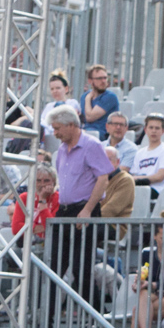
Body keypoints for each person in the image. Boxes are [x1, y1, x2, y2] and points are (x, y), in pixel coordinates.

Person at [48, 108, 114, 303]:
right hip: (65, 209)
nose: (55, 133)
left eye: (58, 128)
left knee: (81, 267)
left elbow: (103, 179)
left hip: (85, 209)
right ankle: (47, 319)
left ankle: (94, 315)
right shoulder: (61, 149)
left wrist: (87, 210)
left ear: (71, 125)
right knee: (54, 267)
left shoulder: (91, 145)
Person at [129, 114, 164, 193]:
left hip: (156, 190)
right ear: (145, 130)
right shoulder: (140, 153)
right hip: (139, 188)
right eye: (151, 127)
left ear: (163, 131)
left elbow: (160, 176)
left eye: (157, 128)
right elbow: (134, 174)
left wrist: (141, 179)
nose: (154, 131)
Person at [80, 64, 118, 139]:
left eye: (105, 78)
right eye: (99, 78)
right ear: (90, 81)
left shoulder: (110, 97)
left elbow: (90, 117)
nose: (103, 81)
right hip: (86, 132)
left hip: (103, 134)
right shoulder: (84, 96)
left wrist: (88, 99)